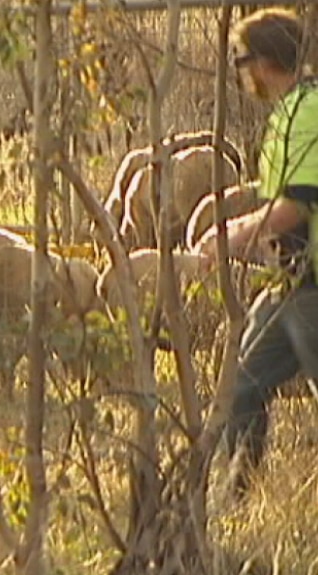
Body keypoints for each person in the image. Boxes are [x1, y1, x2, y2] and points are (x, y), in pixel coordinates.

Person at [195, 7, 318, 495]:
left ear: (266, 60)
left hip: (312, 286)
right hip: (287, 283)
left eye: (242, 59)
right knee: (243, 383)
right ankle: (238, 493)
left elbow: (301, 203)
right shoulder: (291, 111)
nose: (240, 72)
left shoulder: (307, 112)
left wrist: (233, 234)